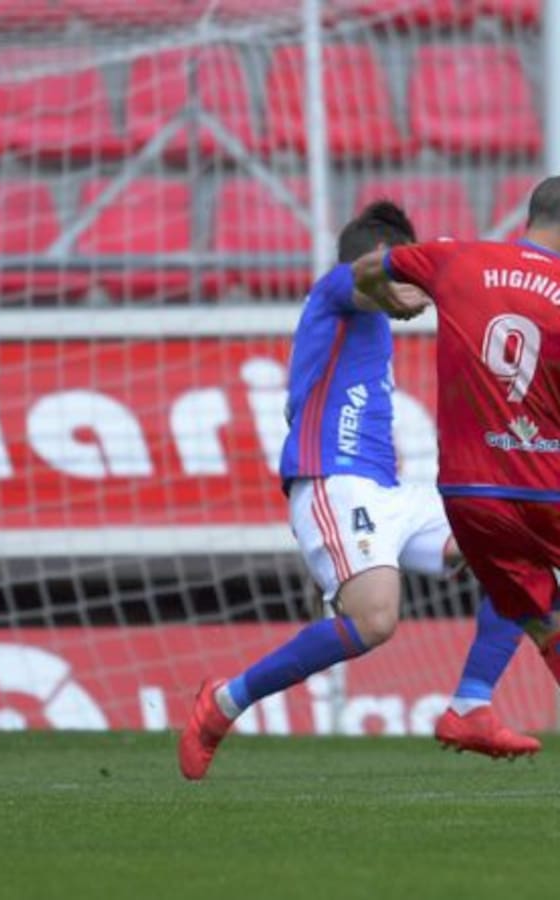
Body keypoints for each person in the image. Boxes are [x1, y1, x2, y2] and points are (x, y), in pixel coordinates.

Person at [179, 201, 538, 781]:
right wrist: (412, 278)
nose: (417, 282)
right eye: (407, 267)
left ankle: (471, 705)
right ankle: (225, 702)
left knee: (519, 547)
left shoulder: (369, 327)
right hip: (333, 480)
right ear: (380, 259)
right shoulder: (334, 292)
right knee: (375, 620)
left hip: (387, 492)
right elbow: (365, 282)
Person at [351, 175, 560, 686]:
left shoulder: (457, 257)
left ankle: (469, 707)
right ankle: (470, 703)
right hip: (547, 488)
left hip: (470, 500)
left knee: (542, 618)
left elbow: (365, 268)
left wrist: (389, 299)